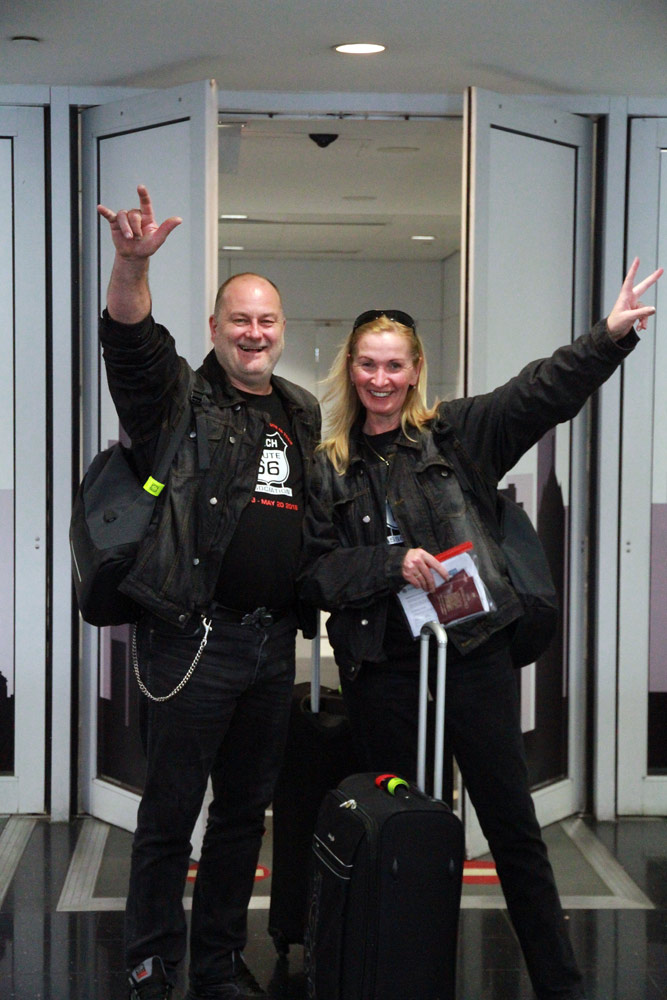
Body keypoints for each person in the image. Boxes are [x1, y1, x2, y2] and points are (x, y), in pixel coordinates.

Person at [297, 258, 662, 1000]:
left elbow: (540, 392)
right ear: (350, 369)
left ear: (415, 371)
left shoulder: (457, 434)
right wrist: (391, 564)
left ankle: (559, 985)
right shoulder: (329, 466)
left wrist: (608, 336)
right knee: (396, 831)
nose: (380, 379)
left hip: (471, 657)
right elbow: (313, 574)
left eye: (393, 365)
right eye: (367, 364)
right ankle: (401, 978)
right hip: (384, 671)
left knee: (512, 829)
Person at [97, 185, 320, 1000]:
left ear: (280, 330)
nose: (253, 333)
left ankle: (219, 961)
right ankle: (153, 961)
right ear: (216, 328)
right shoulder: (179, 399)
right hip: (192, 639)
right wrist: (131, 266)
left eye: (266, 321)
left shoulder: (299, 410)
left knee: (242, 815)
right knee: (169, 814)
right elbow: (129, 342)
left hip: (271, 643)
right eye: (239, 320)